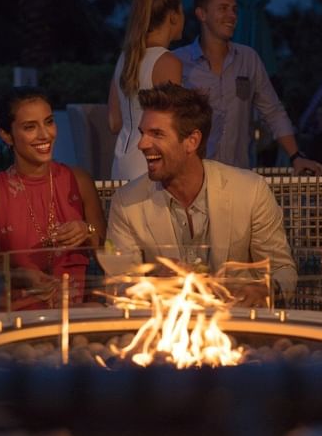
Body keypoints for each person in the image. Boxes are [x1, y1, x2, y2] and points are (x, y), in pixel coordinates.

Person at [106, 82, 297, 302]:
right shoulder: (127, 202)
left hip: (237, 326)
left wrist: (267, 290)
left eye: (156, 134)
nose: (141, 144)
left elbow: (283, 270)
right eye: (142, 133)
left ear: (192, 141)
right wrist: (152, 282)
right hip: (167, 330)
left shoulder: (250, 191)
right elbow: (117, 286)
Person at [0, 87, 106, 299]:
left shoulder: (78, 181)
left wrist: (87, 231)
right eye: (30, 127)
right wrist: (22, 276)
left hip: (78, 311)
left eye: (49, 122)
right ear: (6, 135)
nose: (45, 134)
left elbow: (110, 249)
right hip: (20, 315)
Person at [173, 0, 321, 174]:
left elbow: (273, 112)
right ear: (202, 14)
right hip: (193, 175)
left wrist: (296, 156)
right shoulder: (178, 61)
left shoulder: (248, 58)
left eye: (234, 9)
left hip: (238, 175)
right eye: (223, 9)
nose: (232, 15)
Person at [108, 0, 184, 180]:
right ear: (173, 16)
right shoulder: (167, 61)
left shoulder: (125, 58)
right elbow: (172, 124)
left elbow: (114, 122)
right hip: (150, 162)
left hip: (121, 162)